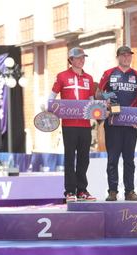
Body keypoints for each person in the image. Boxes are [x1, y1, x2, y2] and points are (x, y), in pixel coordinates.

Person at [95, 46, 137, 201]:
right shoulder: (109, 73)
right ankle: (112, 191)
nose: (126, 58)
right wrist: (106, 97)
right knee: (113, 158)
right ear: (117, 57)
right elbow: (97, 93)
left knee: (129, 159)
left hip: (131, 123)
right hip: (113, 121)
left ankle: (129, 191)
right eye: (123, 55)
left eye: (129, 55)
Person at [47, 47, 96, 202]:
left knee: (84, 158)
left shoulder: (89, 78)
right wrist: (49, 110)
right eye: (78, 58)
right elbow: (52, 98)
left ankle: (82, 190)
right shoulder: (61, 76)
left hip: (86, 125)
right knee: (69, 158)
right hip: (68, 124)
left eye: (83, 58)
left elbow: (92, 102)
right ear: (70, 60)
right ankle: (69, 191)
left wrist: (100, 110)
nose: (81, 60)